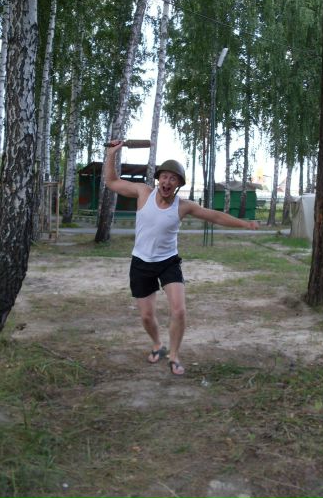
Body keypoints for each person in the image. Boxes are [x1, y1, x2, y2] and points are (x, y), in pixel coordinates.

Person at [104, 140, 259, 376]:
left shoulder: (183, 206)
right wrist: (112, 154)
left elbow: (215, 216)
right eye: (164, 177)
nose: (167, 182)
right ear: (158, 179)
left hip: (168, 262)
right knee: (146, 316)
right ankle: (158, 344)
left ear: (178, 184)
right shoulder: (143, 192)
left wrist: (245, 224)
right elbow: (111, 181)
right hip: (141, 262)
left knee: (179, 311)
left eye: (173, 179)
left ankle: (174, 356)